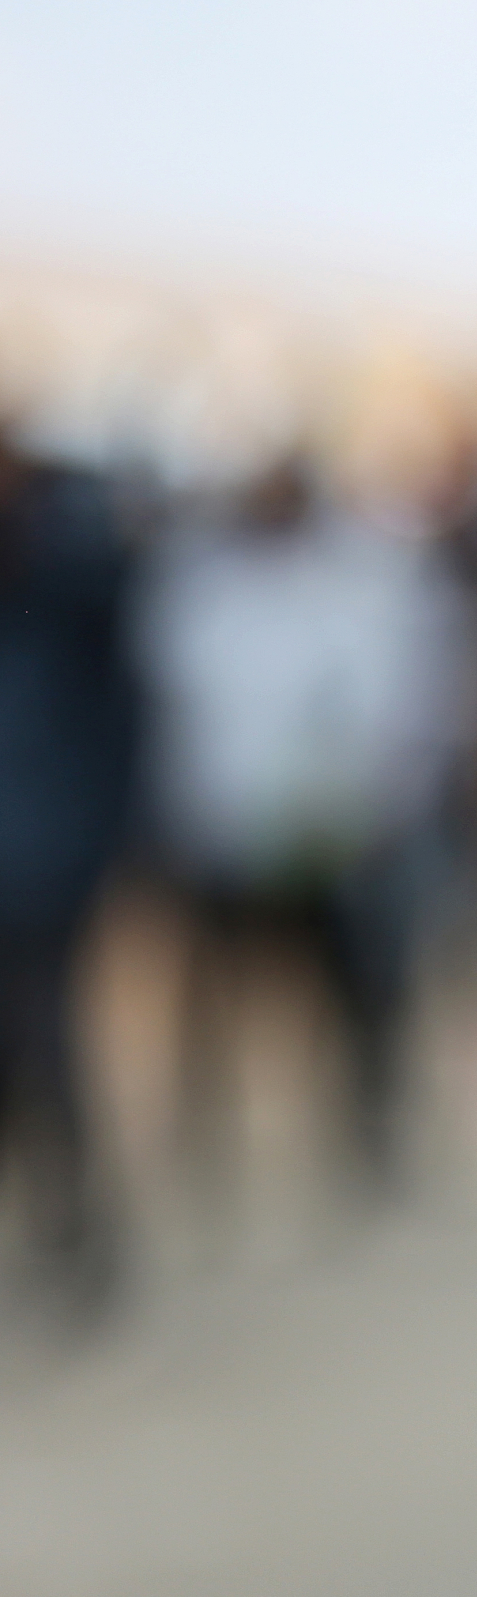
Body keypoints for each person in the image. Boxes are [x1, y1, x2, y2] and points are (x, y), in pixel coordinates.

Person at [139, 452, 475, 1185]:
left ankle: (368, 1123)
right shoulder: (201, 588)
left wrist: (392, 792)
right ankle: (206, 1142)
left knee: (362, 981)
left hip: (345, 822)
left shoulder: (366, 578)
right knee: (215, 993)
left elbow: (410, 692)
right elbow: (179, 707)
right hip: (229, 825)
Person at [0, 424, 139, 1310]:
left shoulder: (72, 582)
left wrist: (102, 844)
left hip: (44, 860)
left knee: (46, 1047)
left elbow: (113, 724)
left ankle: (80, 1230)